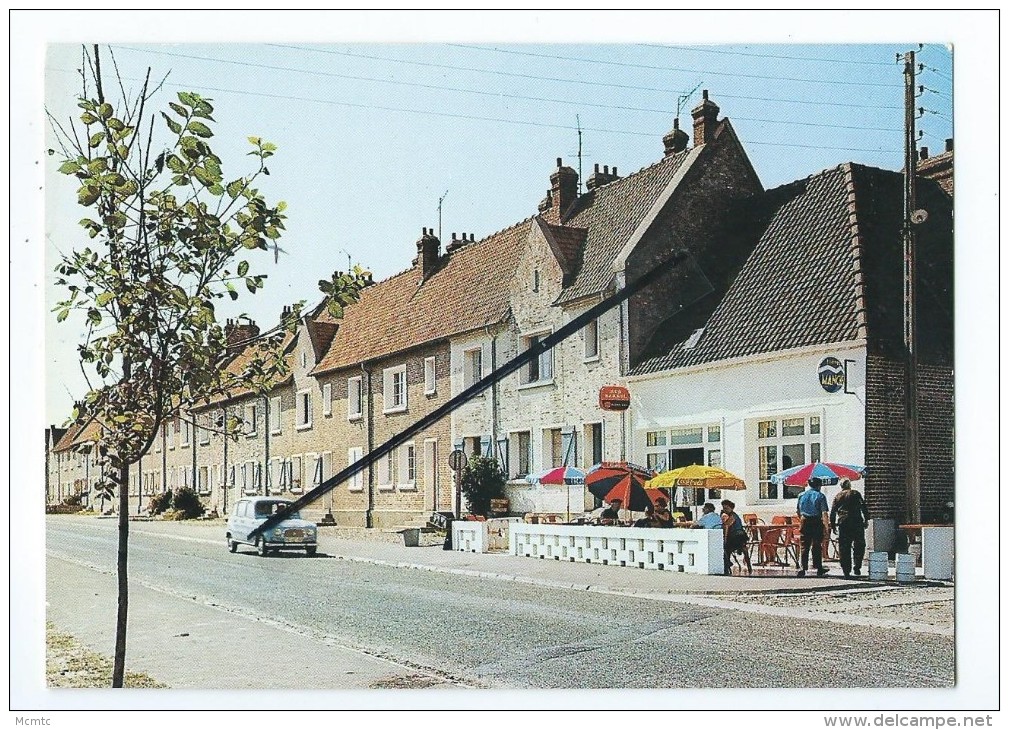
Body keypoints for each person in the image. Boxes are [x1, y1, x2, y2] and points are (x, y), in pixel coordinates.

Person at [830, 479, 870, 577]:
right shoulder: (856, 493)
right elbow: (863, 507)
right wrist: (866, 519)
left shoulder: (838, 496)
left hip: (843, 522)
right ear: (849, 485)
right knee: (859, 544)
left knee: (844, 546)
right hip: (856, 521)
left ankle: (846, 569)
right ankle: (857, 566)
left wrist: (833, 525)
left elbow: (833, 512)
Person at [796, 477, 831, 577]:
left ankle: (803, 568)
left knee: (804, 545)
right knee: (817, 545)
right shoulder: (820, 496)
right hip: (816, 521)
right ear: (819, 486)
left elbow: (798, 511)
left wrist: (802, 519)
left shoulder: (801, 495)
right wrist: (826, 526)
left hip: (804, 521)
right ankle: (818, 568)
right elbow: (824, 513)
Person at [720, 499, 752, 576]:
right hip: (740, 537)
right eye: (724, 508)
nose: (725, 510)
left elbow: (726, 526)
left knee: (725, 549)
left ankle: (727, 565)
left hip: (737, 537)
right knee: (727, 549)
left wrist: (725, 538)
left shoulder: (732, 516)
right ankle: (747, 565)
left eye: (726, 508)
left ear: (731, 508)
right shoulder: (733, 515)